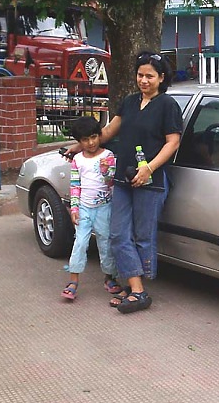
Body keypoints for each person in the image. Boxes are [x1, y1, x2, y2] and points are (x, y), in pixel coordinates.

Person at [63, 51, 183, 313]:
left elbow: (173, 142)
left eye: (150, 76)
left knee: (142, 235)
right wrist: (77, 145)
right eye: (140, 75)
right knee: (117, 233)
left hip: (150, 182)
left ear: (161, 78)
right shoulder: (129, 103)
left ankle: (136, 289)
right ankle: (135, 287)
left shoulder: (167, 105)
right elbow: (106, 133)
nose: (144, 80)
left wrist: (149, 168)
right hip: (122, 179)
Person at [61, 116, 118, 301]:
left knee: (106, 242)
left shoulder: (108, 156)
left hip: (104, 208)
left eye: (94, 137)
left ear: (99, 136)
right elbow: (75, 185)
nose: (91, 142)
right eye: (85, 139)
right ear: (79, 142)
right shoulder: (78, 159)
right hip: (84, 208)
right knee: (80, 243)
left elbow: (111, 182)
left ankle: (110, 278)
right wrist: (75, 208)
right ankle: (73, 281)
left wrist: (106, 171)